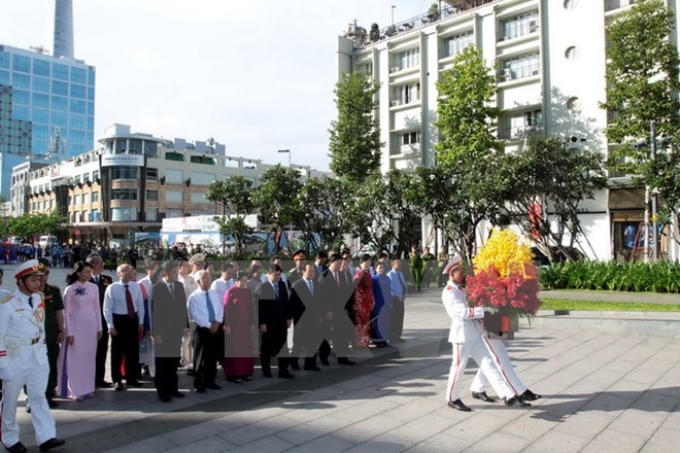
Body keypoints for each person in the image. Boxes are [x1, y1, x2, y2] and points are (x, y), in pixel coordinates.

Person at [441, 255, 529, 412]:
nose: (463, 274)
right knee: (458, 367)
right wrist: (484, 310)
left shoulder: (461, 289)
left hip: (474, 333)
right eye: (459, 272)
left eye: (463, 271)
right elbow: (461, 312)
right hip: (461, 335)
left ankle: (508, 397)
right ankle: (452, 398)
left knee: (488, 363)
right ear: (451, 273)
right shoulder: (449, 292)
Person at [0, 260, 66, 453]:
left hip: (37, 357)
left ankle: (46, 437)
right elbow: (0, 335)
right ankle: (10, 438)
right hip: (15, 358)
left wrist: (43, 351)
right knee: (10, 401)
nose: (39, 283)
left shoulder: (39, 298)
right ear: (21, 282)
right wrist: (2, 365)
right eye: (33, 280)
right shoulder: (7, 304)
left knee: (39, 397)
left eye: (40, 279)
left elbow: (40, 327)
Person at [57, 261, 101, 401]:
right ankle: (75, 388)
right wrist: (69, 332)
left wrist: (99, 327)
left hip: (91, 327)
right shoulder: (70, 289)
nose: (89, 274)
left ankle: (88, 387)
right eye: (86, 272)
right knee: (76, 359)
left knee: (89, 358)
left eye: (90, 272)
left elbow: (97, 308)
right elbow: (67, 312)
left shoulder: (94, 287)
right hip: (76, 327)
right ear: (78, 273)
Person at [103, 264, 145, 391]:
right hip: (118, 320)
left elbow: (140, 305)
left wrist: (141, 322)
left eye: (129, 271)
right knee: (117, 352)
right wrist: (110, 325)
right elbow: (107, 309)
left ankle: (131, 377)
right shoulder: (112, 288)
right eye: (123, 271)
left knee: (133, 351)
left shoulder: (135, 286)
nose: (127, 274)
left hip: (132, 320)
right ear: (118, 274)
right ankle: (117, 380)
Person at [151, 261, 188, 402]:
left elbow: (182, 307)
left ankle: (173, 388)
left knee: (173, 360)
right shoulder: (157, 288)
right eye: (173, 272)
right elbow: (155, 313)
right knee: (163, 362)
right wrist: (157, 333)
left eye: (177, 272)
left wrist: (185, 326)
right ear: (165, 273)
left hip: (176, 330)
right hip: (163, 332)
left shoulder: (179, 286)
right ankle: (163, 391)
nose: (176, 274)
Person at [255, 265, 294, 379]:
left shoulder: (282, 285)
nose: (277, 277)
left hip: (281, 322)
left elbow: (286, 303)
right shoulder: (263, 287)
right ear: (269, 275)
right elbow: (259, 307)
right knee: (267, 347)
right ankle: (266, 369)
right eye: (275, 275)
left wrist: (288, 318)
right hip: (268, 323)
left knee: (283, 346)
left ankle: (283, 370)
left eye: (279, 275)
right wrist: (261, 323)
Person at [188, 270, 224, 393]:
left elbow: (220, 308)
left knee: (212, 357)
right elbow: (196, 315)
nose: (208, 282)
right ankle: (199, 383)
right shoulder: (194, 297)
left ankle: (210, 380)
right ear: (198, 282)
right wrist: (210, 325)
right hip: (201, 329)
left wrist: (218, 322)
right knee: (200, 357)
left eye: (209, 279)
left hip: (215, 327)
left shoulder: (213, 294)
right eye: (205, 279)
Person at [36, 258, 65, 408]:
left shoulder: (53, 290)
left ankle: (48, 393)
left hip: (51, 334)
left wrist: (61, 330)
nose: (43, 276)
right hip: (33, 339)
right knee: (33, 367)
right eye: (39, 273)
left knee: (51, 365)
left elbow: (59, 311)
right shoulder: (28, 292)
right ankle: (32, 399)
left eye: (46, 273)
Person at [318, 254, 356, 366]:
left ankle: (342, 357)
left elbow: (346, 293)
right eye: (338, 263)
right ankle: (324, 357)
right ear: (331, 262)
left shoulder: (342, 275)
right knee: (326, 334)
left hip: (341, 310)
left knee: (341, 333)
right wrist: (326, 311)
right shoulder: (323, 276)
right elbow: (321, 297)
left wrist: (349, 307)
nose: (340, 266)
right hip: (329, 311)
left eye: (341, 263)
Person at [222, 271, 256, 383]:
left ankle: (246, 372)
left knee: (246, 349)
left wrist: (252, 323)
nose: (245, 283)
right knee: (235, 349)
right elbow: (226, 310)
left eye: (246, 281)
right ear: (236, 281)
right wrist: (227, 325)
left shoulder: (247, 292)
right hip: (234, 327)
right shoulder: (230, 292)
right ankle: (234, 373)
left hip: (245, 326)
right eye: (243, 281)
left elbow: (251, 309)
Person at [288, 263, 324, 371]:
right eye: (310, 271)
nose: (312, 273)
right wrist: (290, 318)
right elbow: (291, 304)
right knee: (298, 342)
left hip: (314, 318)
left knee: (313, 342)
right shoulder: (297, 285)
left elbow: (319, 302)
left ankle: (310, 364)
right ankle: (294, 362)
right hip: (301, 319)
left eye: (314, 271)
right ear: (303, 271)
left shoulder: (317, 285)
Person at [87, 253, 114, 388]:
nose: (103, 265)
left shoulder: (107, 279)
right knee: (89, 352)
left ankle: (100, 378)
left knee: (102, 350)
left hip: (103, 320)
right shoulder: (84, 281)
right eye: (100, 263)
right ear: (93, 265)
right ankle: (88, 379)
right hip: (89, 321)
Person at [353, 254, 374, 347]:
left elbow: (371, 289)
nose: (368, 263)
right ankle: (358, 343)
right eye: (367, 261)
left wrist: (372, 300)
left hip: (367, 302)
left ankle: (365, 342)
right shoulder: (359, 274)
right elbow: (354, 289)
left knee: (366, 322)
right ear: (362, 262)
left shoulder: (368, 274)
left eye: (369, 261)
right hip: (360, 303)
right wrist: (357, 302)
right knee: (360, 323)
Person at [387, 258, 408, 343]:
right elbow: (391, 288)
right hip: (394, 298)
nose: (400, 265)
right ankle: (392, 335)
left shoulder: (400, 274)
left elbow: (404, 284)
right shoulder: (390, 274)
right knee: (394, 317)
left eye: (400, 264)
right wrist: (398, 295)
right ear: (393, 265)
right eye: (398, 264)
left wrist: (405, 294)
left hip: (401, 299)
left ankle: (398, 335)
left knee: (400, 317)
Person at [371, 262, 392, 347]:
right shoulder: (374, 279)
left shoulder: (387, 278)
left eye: (383, 268)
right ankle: (378, 340)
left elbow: (389, 291)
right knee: (378, 321)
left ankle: (384, 339)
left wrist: (390, 302)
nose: (381, 269)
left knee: (386, 321)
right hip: (378, 303)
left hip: (386, 303)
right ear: (375, 269)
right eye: (379, 268)